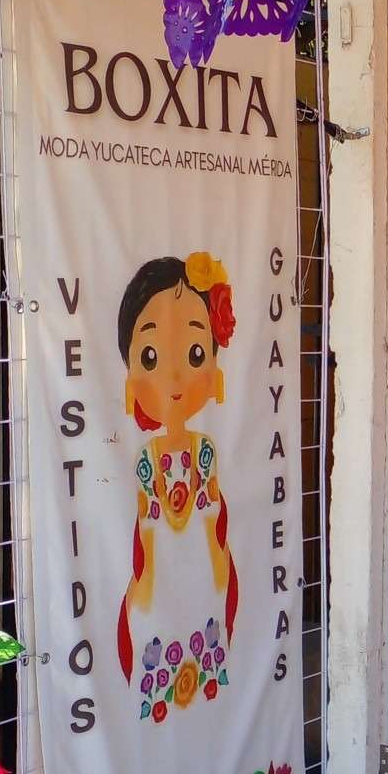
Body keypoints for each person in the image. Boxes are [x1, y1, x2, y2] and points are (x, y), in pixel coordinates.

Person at [115, 251, 239, 721]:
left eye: (194, 354)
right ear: (130, 374)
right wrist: (143, 593)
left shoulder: (207, 450)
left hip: (203, 575)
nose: (173, 377)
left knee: (206, 646)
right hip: (161, 577)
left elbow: (213, 525)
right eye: (150, 356)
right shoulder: (145, 461)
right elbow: (148, 535)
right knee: (152, 630)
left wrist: (220, 580)